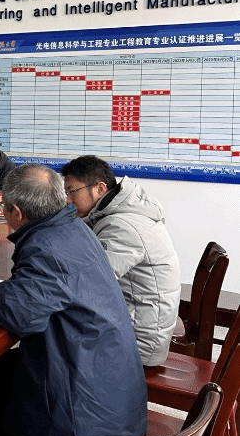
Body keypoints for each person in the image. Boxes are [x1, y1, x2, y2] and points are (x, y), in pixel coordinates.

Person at [0, 164, 146, 436]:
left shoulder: (47, 248)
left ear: (16, 212)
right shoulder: (72, 228)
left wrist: (3, 288)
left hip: (87, 398)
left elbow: (18, 317)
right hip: (101, 369)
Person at [61, 155, 180, 366]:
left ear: (99, 188)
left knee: (52, 332)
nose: (68, 200)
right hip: (134, 322)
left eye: (72, 191)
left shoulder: (122, 226)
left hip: (138, 343)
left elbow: (90, 282)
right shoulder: (115, 213)